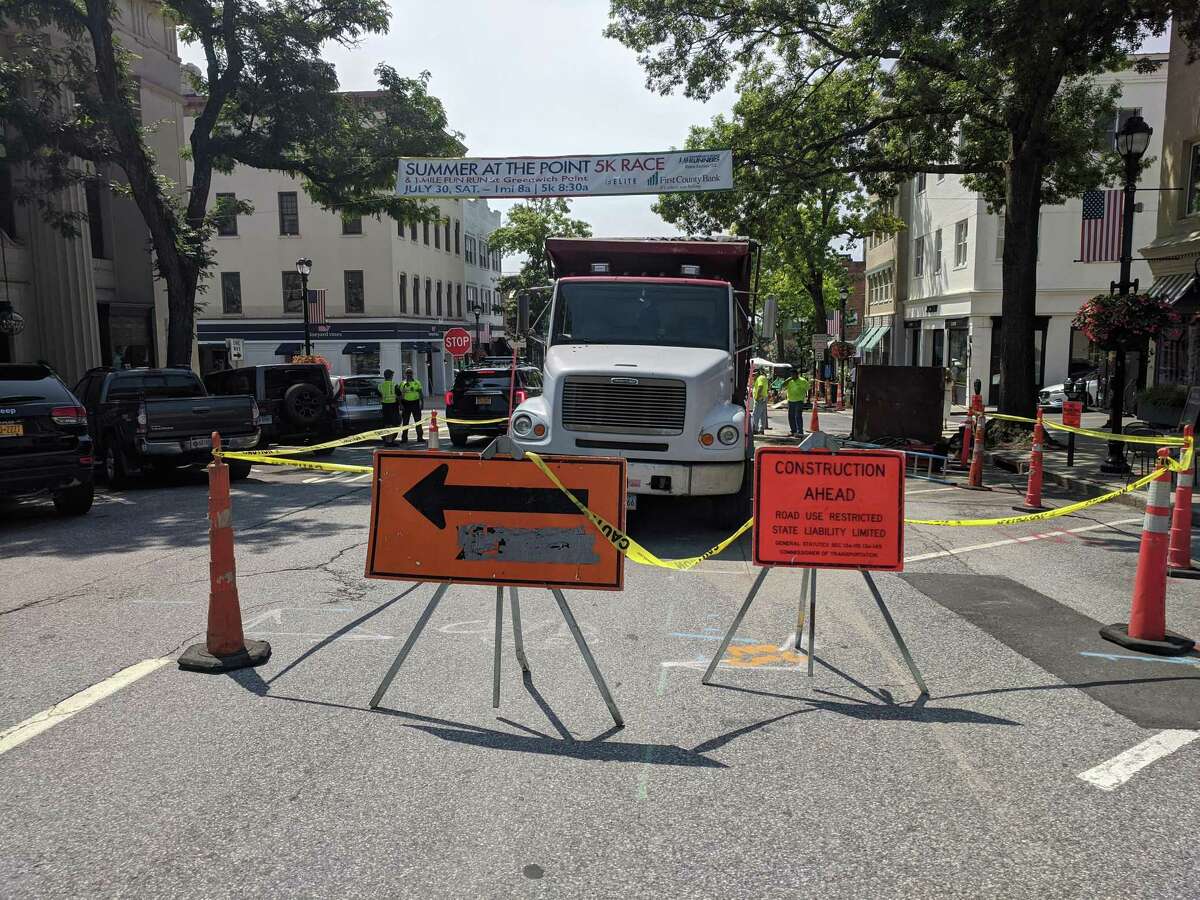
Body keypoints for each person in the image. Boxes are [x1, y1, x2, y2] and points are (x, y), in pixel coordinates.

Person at [782, 368, 811, 437]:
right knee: (791, 416)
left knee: (798, 416)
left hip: (799, 400)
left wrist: (808, 399)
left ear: (797, 375)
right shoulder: (789, 380)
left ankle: (800, 431)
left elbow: (808, 389)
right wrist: (788, 380)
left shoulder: (803, 381)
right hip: (791, 400)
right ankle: (793, 431)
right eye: (791, 375)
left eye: (793, 375)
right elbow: (782, 385)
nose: (792, 376)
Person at [399, 366, 424, 444]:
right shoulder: (402, 383)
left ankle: (420, 437)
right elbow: (399, 396)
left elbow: (420, 393)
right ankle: (404, 438)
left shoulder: (417, 382)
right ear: (405, 374)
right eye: (407, 373)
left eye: (410, 373)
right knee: (405, 422)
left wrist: (422, 403)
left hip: (415, 403)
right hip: (406, 404)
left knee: (418, 421)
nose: (409, 374)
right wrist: (401, 405)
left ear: (412, 374)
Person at [379, 369, 399, 445]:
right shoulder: (394, 385)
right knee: (392, 424)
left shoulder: (380, 386)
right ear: (391, 376)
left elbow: (378, 395)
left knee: (386, 424)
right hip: (393, 406)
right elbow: (399, 395)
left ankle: (387, 440)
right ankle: (390, 441)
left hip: (384, 406)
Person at [752, 368, 770, 434]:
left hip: (759, 398)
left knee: (756, 414)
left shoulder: (760, 378)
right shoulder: (763, 377)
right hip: (763, 397)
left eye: (754, 374)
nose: (753, 376)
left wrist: (757, 396)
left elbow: (760, 387)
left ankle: (755, 429)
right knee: (762, 414)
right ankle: (761, 429)